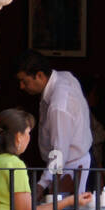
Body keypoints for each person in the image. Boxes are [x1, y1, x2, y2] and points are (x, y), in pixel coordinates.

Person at [15, 50, 92, 196]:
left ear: (39, 75)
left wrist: (41, 185)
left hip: (69, 168)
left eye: (25, 81)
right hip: (67, 163)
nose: (22, 87)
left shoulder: (59, 105)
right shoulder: (65, 76)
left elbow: (59, 152)